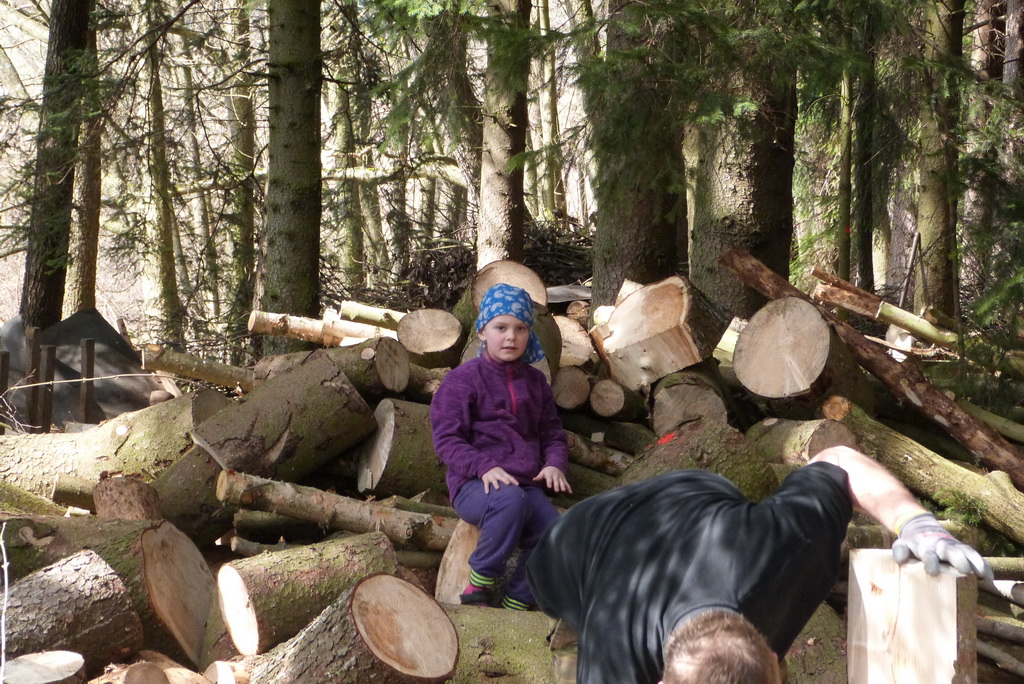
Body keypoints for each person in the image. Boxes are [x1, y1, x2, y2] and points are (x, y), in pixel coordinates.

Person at [526, 445, 992, 684]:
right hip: (571, 552)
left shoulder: (782, 551)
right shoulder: (615, 652)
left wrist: (917, 523)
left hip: (696, 494)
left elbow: (839, 460)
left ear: (771, 658)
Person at [431, 282, 572, 611]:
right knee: (509, 500)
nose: (511, 337)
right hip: (473, 485)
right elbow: (447, 439)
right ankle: (478, 585)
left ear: (529, 333)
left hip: (526, 485)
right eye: (501, 328)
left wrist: (554, 463)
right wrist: (483, 467)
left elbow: (552, 432)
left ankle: (517, 601)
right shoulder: (462, 381)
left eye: (520, 328)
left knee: (557, 534)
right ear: (482, 331)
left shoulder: (536, 383)